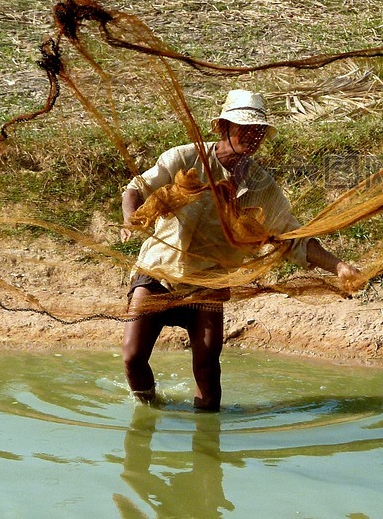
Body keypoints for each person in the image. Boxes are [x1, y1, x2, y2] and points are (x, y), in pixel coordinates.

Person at [120, 89, 359, 410]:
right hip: (158, 271)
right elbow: (136, 188)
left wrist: (339, 266)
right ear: (223, 129)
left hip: (209, 282)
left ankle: (207, 439)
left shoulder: (260, 185)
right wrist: (130, 219)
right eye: (243, 128)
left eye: (257, 130)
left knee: (206, 369)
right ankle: (148, 411)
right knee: (133, 356)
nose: (252, 136)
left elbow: (293, 237)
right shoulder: (185, 158)